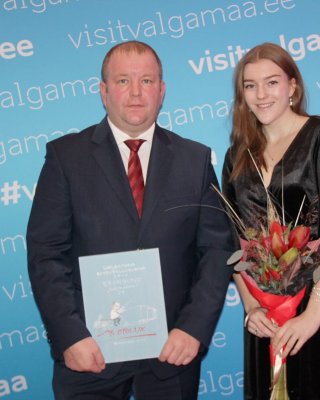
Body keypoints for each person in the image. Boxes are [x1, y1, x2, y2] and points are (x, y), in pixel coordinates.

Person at [27, 40, 234, 400]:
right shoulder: (66, 157)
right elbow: (46, 253)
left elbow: (217, 252)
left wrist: (193, 329)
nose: (136, 92)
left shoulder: (195, 160)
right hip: (90, 353)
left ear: (162, 91)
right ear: (104, 91)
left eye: (147, 81)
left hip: (172, 352)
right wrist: (70, 336)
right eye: (123, 81)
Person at [222, 42, 320, 399]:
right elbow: (232, 242)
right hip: (264, 312)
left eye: (272, 82)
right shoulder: (236, 155)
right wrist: (251, 307)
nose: (261, 95)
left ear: (293, 86)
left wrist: (312, 316)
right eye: (250, 85)